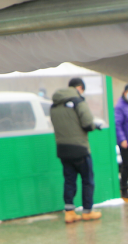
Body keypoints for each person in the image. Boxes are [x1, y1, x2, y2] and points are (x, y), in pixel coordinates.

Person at [51, 77, 103, 223]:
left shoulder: (54, 104)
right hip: (80, 148)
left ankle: (69, 213)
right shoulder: (78, 102)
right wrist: (95, 125)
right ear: (79, 88)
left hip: (63, 149)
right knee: (87, 181)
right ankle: (87, 211)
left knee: (69, 180)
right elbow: (87, 124)